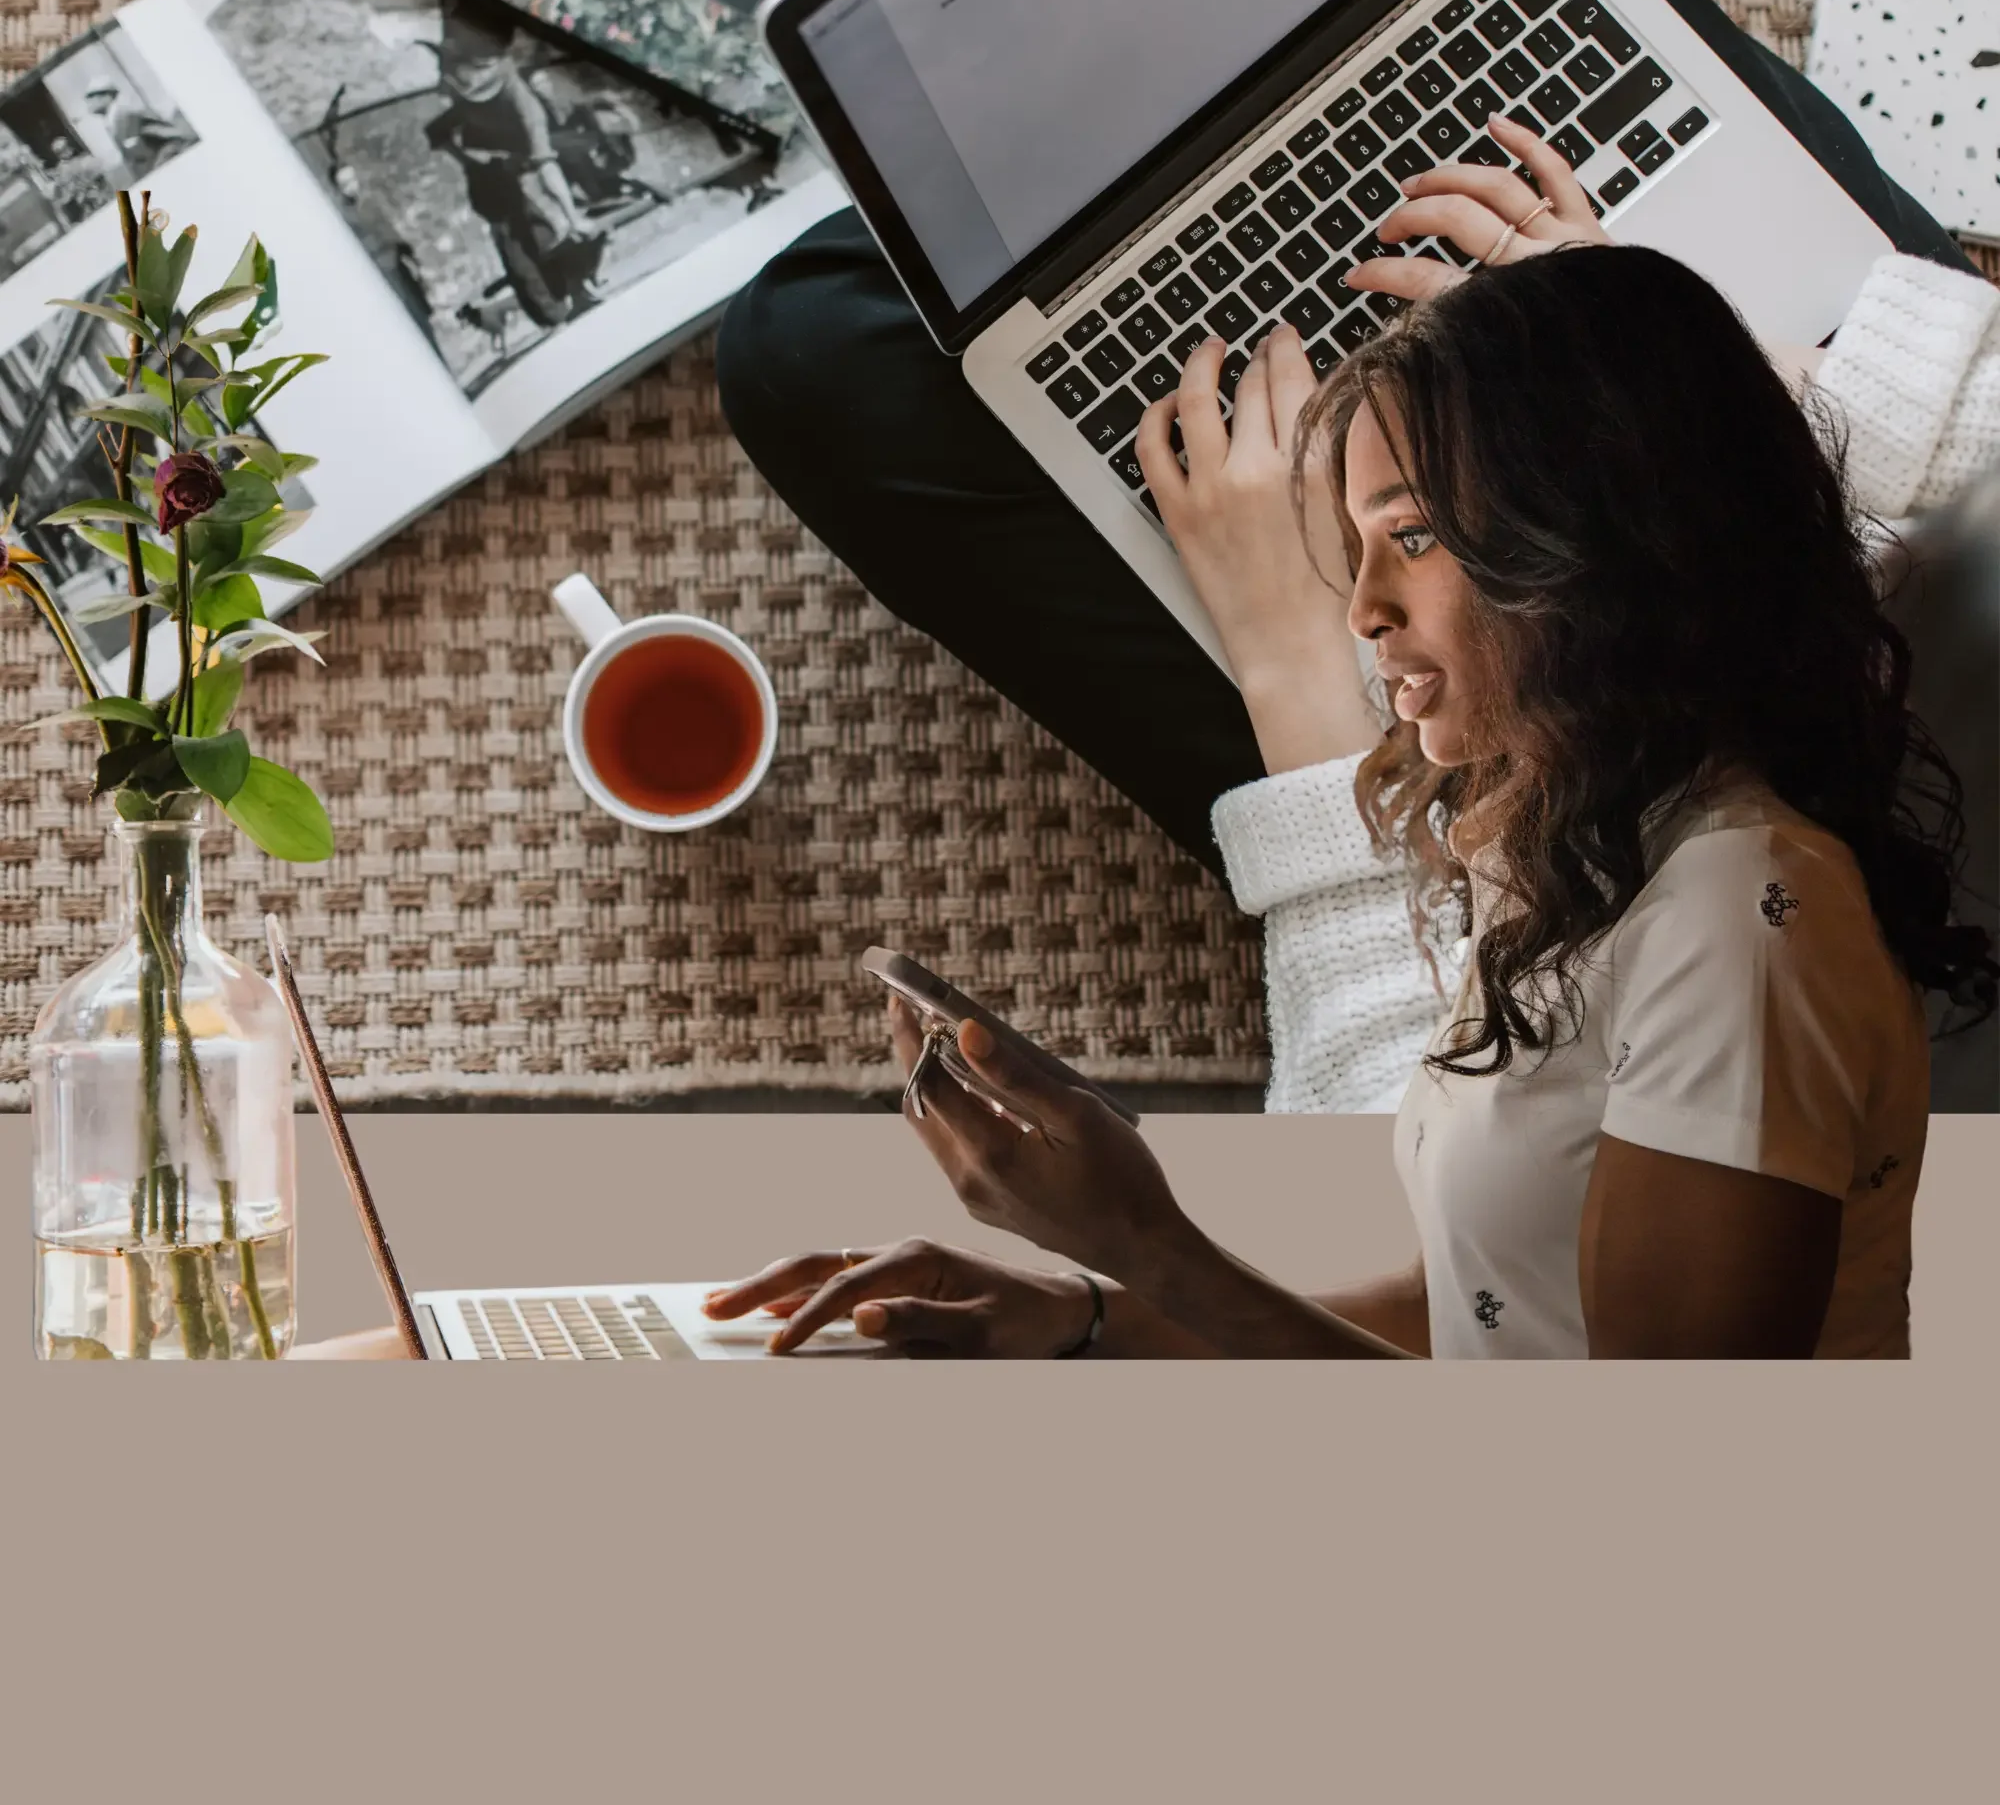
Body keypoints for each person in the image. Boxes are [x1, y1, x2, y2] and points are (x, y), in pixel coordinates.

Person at [715, 0, 2000, 1122]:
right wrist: (1664, 375)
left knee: (819, 339)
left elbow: (1407, 1151)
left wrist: (1298, 666)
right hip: (1798, 549)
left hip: (1553, 851)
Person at [707, 225, 1990, 1357]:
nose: (1361, 612)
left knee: (822, 337)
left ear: (1601, 540)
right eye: (1363, 544)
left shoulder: (1737, 925)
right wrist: (1092, 1314)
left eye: (1411, 540)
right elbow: (1495, 1306)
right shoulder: (1574, 826)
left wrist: (1144, 1243)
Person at [424, 15, 605, 329]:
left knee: (547, 235)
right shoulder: (458, 64)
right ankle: (554, 311)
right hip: (492, 182)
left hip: (525, 174)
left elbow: (546, 164)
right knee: (520, 255)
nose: (464, 81)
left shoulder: (524, 106)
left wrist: (572, 217)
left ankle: (575, 293)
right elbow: (438, 131)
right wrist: (470, 160)